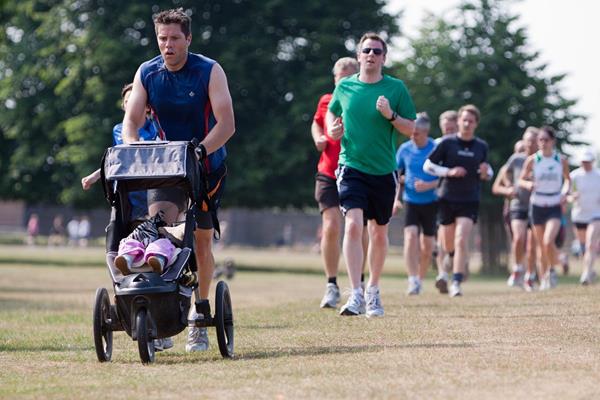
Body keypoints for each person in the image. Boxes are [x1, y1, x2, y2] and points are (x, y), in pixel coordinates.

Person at [121, 8, 235, 351]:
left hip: (206, 166)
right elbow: (131, 121)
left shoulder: (209, 71)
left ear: (188, 39)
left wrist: (200, 151)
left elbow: (226, 125)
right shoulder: (147, 72)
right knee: (162, 228)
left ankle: (199, 316)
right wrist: (133, 147)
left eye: (173, 39)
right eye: (161, 39)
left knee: (200, 241)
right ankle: (157, 313)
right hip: (167, 165)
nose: (167, 46)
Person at [326, 32, 416, 316]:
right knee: (353, 226)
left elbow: (411, 128)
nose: (372, 55)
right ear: (359, 55)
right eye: (367, 50)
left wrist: (391, 115)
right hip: (351, 166)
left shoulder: (396, 88)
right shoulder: (345, 87)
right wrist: (332, 130)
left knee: (378, 233)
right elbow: (331, 114)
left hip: (384, 170)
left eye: (377, 51)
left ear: (384, 58)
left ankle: (374, 290)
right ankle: (356, 293)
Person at [311, 57, 367, 309]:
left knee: (358, 228)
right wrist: (319, 137)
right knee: (331, 225)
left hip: (357, 170)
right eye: (339, 78)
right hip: (328, 172)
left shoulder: (361, 101)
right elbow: (315, 121)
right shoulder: (325, 100)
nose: (343, 82)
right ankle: (331, 285)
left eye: (348, 77)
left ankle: (360, 283)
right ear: (334, 79)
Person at [424, 104, 493, 297]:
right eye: (464, 120)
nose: (467, 124)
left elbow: (486, 170)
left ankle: (456, 282)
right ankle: (452, 258)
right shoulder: (447, 144)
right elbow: (428, 165)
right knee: (447, 244)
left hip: (470, 198)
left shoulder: (481, 146)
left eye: (471, 121)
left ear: (476, 124)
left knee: (462, 238)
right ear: (459, 121)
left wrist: (487, 173)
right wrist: (449, 172)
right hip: (447, 197)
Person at [81, 83, 161, 222]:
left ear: (147, 106)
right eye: (126, 102)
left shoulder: (156, 129)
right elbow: (116, 160)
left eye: (135, 101)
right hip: (125, 196)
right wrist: (95, 176)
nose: (130, 105)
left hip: (152, 196)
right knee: (117, 239)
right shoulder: (118, 130)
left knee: (152, 238)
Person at [518, 126, 571, 290]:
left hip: (554, 203)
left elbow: (568, 180)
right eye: (540, 140)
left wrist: (564, 192)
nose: (542, 143)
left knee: (549, 241)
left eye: (546, 140)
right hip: (537, 205)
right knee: (541, 246)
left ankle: (552, 270)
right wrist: (528, 184)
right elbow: (521, 180)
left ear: (553, 141)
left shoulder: (560, 160)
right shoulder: (533, 160)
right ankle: (545, 277)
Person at [394, 112, 438, 295]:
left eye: (417, 132)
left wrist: (429, 184)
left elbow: (446, 176)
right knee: (411, 237)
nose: (412, 134)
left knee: (427, 246)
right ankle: (412, 279)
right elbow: (396, 176)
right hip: (410, 201)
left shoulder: (436, 148)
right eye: (411, 131)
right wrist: (396, 199)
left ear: (426, 132)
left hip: (432, 202)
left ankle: (420, 279)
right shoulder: (404, 149)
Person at [492, 127, 539, 291]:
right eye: (528, 140)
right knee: (519, 238)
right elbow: (502, 175)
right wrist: (509, 188)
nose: (530, 143)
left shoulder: (542, 160)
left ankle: (530, 276)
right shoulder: (516, 159)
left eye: (534, 140)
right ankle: (518, 269)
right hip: (517, 205)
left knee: (532, 245)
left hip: (536, 205)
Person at [432, 110, 459, 291]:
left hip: (463, 196)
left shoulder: (464, 144)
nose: (448, 131)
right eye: (446, 128)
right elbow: (428, 168)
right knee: (442, 235)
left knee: (458, 236)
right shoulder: (436, 144)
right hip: (441, 194)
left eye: (452, 128)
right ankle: (443, 273)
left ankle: (456, 273)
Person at [569, 148, 600, 284]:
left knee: (590, 244)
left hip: (596, 214)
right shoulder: (574, 176)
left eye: (588, 161)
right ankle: (589, 270)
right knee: (583, 247)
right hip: (579, 215)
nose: (586, 164)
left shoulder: (598, 175)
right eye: (583, 161)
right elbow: (566, 194)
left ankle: (586, 274)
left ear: (592, 161)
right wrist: (572, 198)